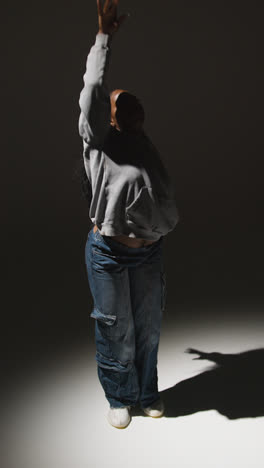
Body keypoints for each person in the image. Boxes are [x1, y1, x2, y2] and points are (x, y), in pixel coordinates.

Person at [78, 0, 179, 429]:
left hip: (149, 253)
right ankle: (120, 396)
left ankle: (147, 391)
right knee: (115, 328)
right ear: (109, 118)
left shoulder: (144, 146)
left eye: (133, 102)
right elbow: (93, 92)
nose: (128, 103)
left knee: (149, 329)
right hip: (109, 253)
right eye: (119, 102)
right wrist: (104, 39)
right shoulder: (102, 142)